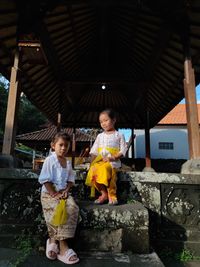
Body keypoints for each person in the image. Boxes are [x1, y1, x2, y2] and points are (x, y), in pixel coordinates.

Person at [39, 132, 79, 264]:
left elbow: (70, 180)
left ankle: (53, 241)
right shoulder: (50, 160)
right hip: (49, 194)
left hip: (63, 193)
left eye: (66, 146)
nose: (63, 148)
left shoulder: (67, 163)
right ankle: (62, 246)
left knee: (72, 207)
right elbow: (45, 179)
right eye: (60, 145)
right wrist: (54, 194)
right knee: (57, 209)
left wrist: (66, 191)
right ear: (53, 145)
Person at [85, 108, 127, 205]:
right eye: (101, 122)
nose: (103, 123)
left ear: (114, 120)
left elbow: (123, 150)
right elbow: (94, 151)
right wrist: (91, 163)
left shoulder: (119, 135)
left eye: (106, 120)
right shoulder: (100, 136)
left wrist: (112, 157)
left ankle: (112, 195)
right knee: (93, 172)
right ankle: (103, 194)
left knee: (106, 170)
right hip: (100, 161)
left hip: (113, 162)